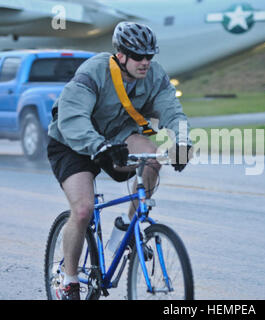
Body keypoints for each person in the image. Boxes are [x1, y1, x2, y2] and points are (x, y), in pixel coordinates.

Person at [47, 22, 192, 300]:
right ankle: (70, 278)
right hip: (71, 141)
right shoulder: (94, 71)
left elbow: (172, 110)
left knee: (151, 158)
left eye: (150, 56)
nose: (145, 62)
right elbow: (72, 117)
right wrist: (97, 146)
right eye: (138, 56)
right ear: (121, 55)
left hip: (115, 139)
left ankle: (127, 228)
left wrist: (182, 142)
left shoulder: (154, 76)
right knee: (82, 210)